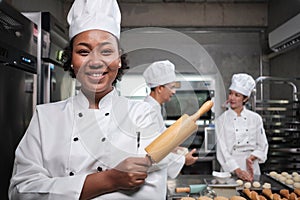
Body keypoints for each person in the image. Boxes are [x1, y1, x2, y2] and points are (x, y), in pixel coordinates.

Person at [9, 0, 172, 199]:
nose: (95, 62)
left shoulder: (143, 116)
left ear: (119, 59)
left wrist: (59, 188)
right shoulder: (45, 117)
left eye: (106, 51)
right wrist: (110, 180)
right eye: (83, 51)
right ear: (71, 60)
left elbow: (150, 194)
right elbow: (21, 190)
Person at [143, 60, 198, 174]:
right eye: (172, 87)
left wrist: (175, 149)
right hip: (151, 181)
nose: (174, 92)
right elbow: (153, 154)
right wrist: (183, 160)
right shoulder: (148, 111)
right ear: (159, 88)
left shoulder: (155, 108)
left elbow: (161, 141)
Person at [215, 73, 268, 181]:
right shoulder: (221, 120)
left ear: (245, 99)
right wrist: (237, 170)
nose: (232, 98)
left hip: (252, 168)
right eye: (230, 94)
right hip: (230, 169)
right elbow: (222, 150)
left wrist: (252, 157)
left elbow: (262, 144)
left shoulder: (255, 118)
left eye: (237, 95)